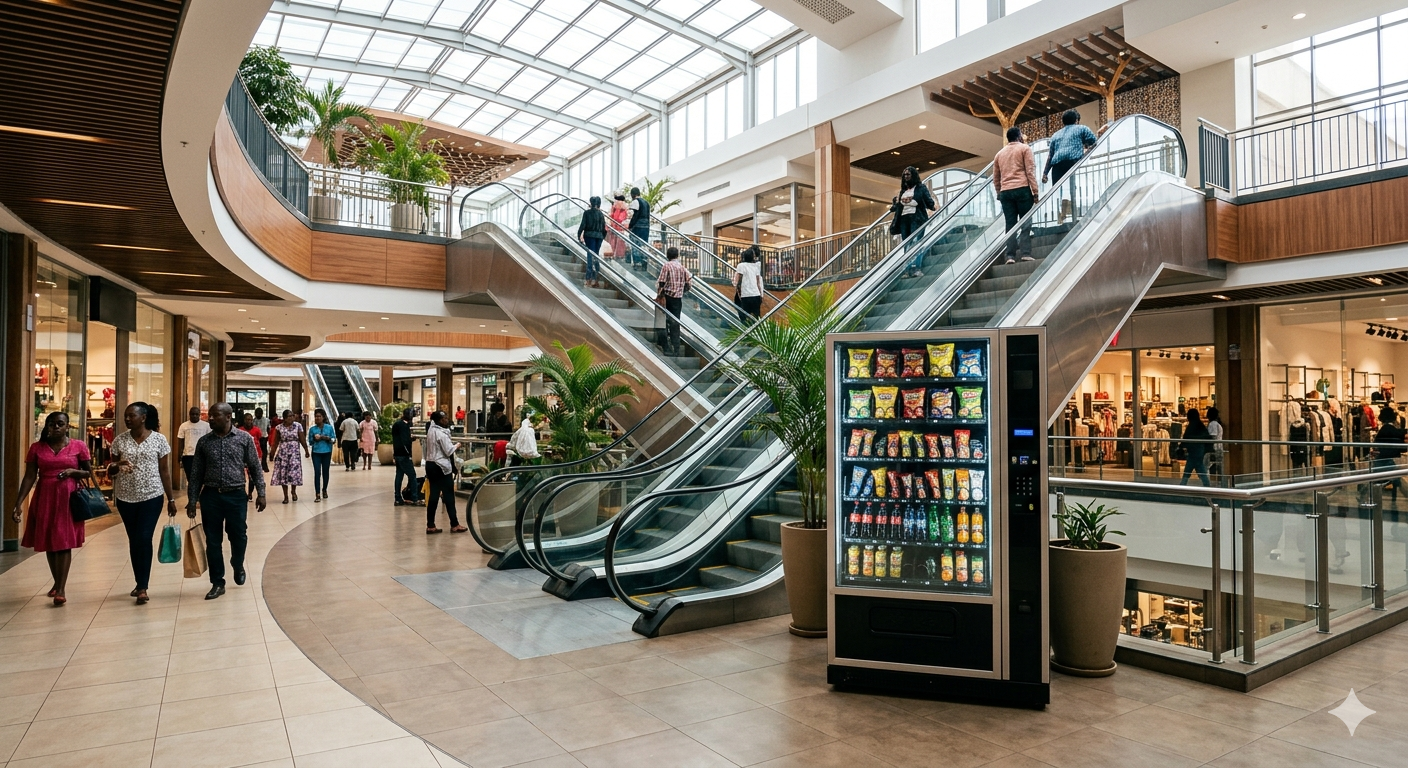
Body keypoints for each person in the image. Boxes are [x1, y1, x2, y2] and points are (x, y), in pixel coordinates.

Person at [10, 412, 91, 606]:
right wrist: (19, 503)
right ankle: (56, 582)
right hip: (45, 497)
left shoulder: (78, 446)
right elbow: (29, 476)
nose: (55, 427)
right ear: (46, 426)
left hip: (68, 498)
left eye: (60, 424)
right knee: (50, 541)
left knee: (63, 541)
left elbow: (88, 472)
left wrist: (72, 472)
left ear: (67, 427)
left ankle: (61, 589)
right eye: (52, 424)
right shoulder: (36, 448)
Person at [186, 403, 265, 600]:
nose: (211, 418)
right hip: (211, 496)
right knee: (213, 541)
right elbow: (196, 474)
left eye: (216, 415)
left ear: (228, 416)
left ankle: (237, 563)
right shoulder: (204, 442)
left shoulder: (244, 439)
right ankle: (217, 582)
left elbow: (255, 467)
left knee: (239, 536)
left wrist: (261, 492)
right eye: (210, 415)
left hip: (236, 496)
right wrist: (192, 500)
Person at [108, 402, 177, 605]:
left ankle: (143, 587)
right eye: (126, 416)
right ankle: (139, 582)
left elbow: (164, 471)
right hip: (126, 498)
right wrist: (116, 465)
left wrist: (171, 498)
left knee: (144, 538)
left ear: (144, 417)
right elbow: (110, 470)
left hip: (152, 496)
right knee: (134, 540)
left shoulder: (159, 440)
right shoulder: (120, 441)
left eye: (132, 416)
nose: (127, 419)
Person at [1041, 109, 1098, 224]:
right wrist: (1086, 149)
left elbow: (1050, 155)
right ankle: (1073, 215)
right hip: (1073, 162)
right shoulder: (1082, 128)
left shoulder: (1055, 135)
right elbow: (1094, 141)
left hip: (1057, 166)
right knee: (1073, 189)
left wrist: (1045, 173)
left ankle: (1060, 216)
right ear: (1076, 120)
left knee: (1059, 191)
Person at [993, 126, 1038, 264]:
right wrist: (1035, 191)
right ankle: (1025, 253)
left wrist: (999, 192)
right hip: (1022, 189)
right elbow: (1030, 171)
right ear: (1019, 136)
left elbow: (996, 177)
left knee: (1010, 224)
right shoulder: (1025, 149)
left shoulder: (999, 154)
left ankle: (1010, 256)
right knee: (1026, 223)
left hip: (1006, 192)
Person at [424, 410, 464, 534]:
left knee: (434, 495)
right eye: (444, 418)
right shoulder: (441, 433)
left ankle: (430, 525)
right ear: (439, 420)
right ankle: (455, 524)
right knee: (449, 495)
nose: (446, 420)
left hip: (430, 464)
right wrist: (457, 445)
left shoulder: (431, 430)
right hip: (441, 466)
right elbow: (448, 451)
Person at [892, 166, 937, 277]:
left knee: (916, 243)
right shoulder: (903, 191)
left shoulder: (921, 188)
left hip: (917, 219)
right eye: (904, 175)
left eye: (908, 174)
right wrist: (895, 204)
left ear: (913, 175)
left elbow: (929, 202)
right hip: (904, 219)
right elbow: (898, 206)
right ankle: (907, 269)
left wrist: (931, 206)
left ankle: (916, 268)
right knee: (907, 245)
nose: (906, 177)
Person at [657, 246, 692, 356]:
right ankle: (676, 348)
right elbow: (688, 284)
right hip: (678, 299)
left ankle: (665, 347)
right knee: (675, 322)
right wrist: (681, 290)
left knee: (662, 321)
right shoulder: (682, 268)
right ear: (677, 255)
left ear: (668, 255)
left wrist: (659, 294)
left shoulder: (666, 266)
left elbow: (662, 282)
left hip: (667, 297)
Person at [270, 409, 309, 504]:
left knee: (293, 473)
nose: (292, 418)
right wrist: (272, 453)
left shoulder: (298, 426)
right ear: (284, 418)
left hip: (294, 453)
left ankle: (293, 491)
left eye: (292, 416)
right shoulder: (279, 428)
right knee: (283, 474)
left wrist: (306, 450)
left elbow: (302, 439)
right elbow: (275, 442)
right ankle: (286, 496)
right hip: (283, 453)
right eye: (289, 416)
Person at [176, 406, 210, 497]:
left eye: (196, 414)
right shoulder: (184, 426)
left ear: (199, 415)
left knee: (201, 478)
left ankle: (200, 497)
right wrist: (179, 455)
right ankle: (192, 498)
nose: (194, 416)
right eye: (192, 414)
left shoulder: (206, 426)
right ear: (189, 415)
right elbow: (180, 441)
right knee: (190, 479)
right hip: (188, 455)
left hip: (202, 456)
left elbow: (209, 441)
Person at [392, 405, 422, 506]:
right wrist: (408, 453)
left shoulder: (397, 424)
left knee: (399, 476)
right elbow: (405, 440)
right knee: (412, 475)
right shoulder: (404, 426)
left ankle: (397, 498)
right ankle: (414, 498)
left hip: (397, 454)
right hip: (404, 455)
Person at [578, 195, 607, 288]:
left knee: (590, 256)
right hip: (599, 237)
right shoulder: (601, 214)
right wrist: (602, 237)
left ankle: (588, 279)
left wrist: (579, 235)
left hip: (589, 236)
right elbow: (604, 228)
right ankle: (596, 279)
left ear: (591, 203)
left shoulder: (587, 213)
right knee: (596, 256)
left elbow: (583, 225)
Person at [1178, 409, 1212, 487]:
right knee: (1198, 467)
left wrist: (1181, 447)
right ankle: (1206, 485)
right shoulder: (1201, 425)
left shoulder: (1191, 426)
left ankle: (1183, 484)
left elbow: (1186, 438)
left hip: (1193, 451)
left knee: (1192, 467)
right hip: (1200, 449)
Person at [308, 410, 336, 502]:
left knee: (325, 471)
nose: (317, 418)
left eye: (319, 416)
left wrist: (326, 438)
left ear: (323, 417)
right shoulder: (312, 429)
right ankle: (317, 493)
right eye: (316, 416)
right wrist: (315, 439)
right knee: (317, 472)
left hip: (327, 452)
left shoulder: (329, 428)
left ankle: (324, 489)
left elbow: (334, 440)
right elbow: (310, 442)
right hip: (316, 452)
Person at [238, 413, 265, 499]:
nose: (249, 421)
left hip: (256, 454)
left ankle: (250, 493)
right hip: (242, 456)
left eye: (250, 420)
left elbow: (261, 442)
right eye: (247, 419)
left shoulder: (257, 430)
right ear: (244, 420)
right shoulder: (240, 430)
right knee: (241, 475)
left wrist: (263, 456)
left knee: (252, 475)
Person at [733, 246, 764, 320]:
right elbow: (758, 282)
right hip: (756, 294)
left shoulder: (741, 266)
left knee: (744, 316)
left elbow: (738, 281)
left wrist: (739, 292)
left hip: (746, 295)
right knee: (756, 316)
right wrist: (761, 294)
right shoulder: (755, 267)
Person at [627, 186, 651, 270]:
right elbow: (648, 216)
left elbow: (635, 215)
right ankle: (644, 263)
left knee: (635, 244)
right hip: (646, 226)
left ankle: (637, 263)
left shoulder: (635, 202)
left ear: (632, 194)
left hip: (638, 226)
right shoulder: (646, 203)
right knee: (644, 245)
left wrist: (630, 225)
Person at [1204, 406, 1225, 476]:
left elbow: (1213, 436)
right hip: (1219, 448)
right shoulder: (1218, 424)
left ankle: (1211, 480)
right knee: (1219, 466)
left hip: (1213, 449)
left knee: (1210, 466)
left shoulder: (1212, 424)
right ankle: (1220, 480)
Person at [608, 194, 629, 260]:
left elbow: (611, 215)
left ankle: (611, 254)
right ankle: (619, 255)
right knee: (620, 242)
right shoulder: (624, 207)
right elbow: (622, 218)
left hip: (614, 226)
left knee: (612, 242)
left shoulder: (614, 206)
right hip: (620, 227)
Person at [254, 407, 270, 472]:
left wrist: (267, 436)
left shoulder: (266, 420)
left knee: (264, 452)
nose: (257, 415)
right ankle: (258, 466)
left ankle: (264, 465)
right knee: (257, 452)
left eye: (259, 413)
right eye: (256, 413)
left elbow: (268, 428)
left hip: (263, 437)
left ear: (262, 413)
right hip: (256, 438)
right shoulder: (253, 420)